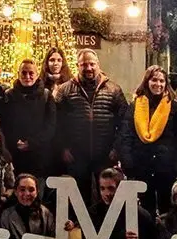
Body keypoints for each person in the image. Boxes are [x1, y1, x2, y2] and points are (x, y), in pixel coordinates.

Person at [54, 49, 128, 204]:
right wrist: (64, 148)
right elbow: (57, 122)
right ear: (77, 66)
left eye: (92, 64)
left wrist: (116, 148)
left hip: (105, 154)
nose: (88, 68)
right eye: (84, 64)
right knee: (80, 198)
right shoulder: (65, 90)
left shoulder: (114, 90)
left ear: (98, 65)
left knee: (107, 195)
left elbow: (124, 123)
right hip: (77, 155)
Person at [117, 65, 177, 215]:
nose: (158, 84)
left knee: (167, 208)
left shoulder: (174, 107)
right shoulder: (135, 106)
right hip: (141, 165)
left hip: (166, 167)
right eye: (154, 80)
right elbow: (126, 135)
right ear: (147, 82)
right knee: (144, 209)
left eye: (162, 81)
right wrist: (128, 162)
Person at [3, 59, 56, 180]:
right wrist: (15, 141)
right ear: (18, 74)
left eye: (31, 73)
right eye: (24, 73)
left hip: (39, 158)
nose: (27, 76)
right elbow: (5, 124)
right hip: (15, 156)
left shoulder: (46, 96)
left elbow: (51, 126)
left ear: (37, 75)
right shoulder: (9, 95)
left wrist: (32, 143)